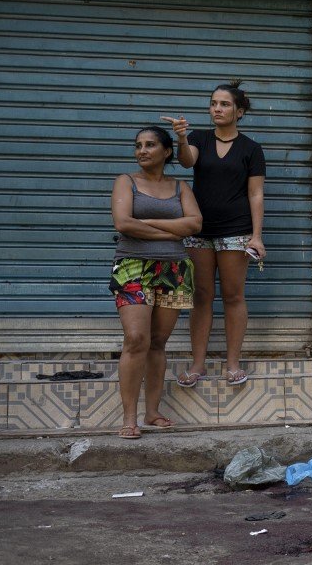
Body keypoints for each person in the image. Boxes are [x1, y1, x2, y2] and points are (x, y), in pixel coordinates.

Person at [162, 79, 266, 387]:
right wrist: (181, 138)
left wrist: (256, 236)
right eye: (213, 103)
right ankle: (198, 365)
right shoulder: (199, 138)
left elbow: (256, 194)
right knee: (202, 297)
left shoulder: (251, 148)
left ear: (239, 111)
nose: (216, 109)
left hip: (236, 232)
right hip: (199, 231)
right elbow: (186, 162)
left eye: (224, 104)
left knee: (233, 297)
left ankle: (233, 363)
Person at [110, 126, 202, 439]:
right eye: (138, 145)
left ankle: (152, 412)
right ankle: (129, 418)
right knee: (137, 338)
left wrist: (146, 223)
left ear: (166, 151)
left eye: (150, 145)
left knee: (158, 342)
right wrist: (171, 231)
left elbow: (195, 223)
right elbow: (123, 223)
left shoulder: (180, 187)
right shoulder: (126, 181)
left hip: (174, 269)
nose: (142, 151)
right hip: (133, 266)